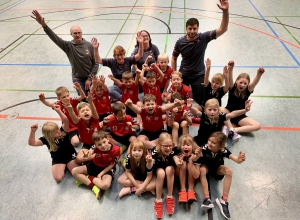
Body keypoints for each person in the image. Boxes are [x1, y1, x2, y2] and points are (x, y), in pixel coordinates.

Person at [171, 0, 229, 105]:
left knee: (202, 100)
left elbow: (223, 29)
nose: (192, 31)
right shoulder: (180, 42)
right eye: (190, 29)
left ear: (198, 28)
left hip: (199, 75)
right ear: (186, 28)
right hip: (184, 74)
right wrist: (174, 74)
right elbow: (174, 58)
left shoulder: (203, 37)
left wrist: (225, 11)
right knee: (178, 99)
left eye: (194, 28)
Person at [31, 10, 98, 95]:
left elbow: (96, 64)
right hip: (78, 79)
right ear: (71, 34)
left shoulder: (89, 45)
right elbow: (54, 38)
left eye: (79, 33)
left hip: (90, 77)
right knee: (84, 99)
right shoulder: (68, 46)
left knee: (93, 98)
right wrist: (44, 25)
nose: (77, 35)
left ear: (82, 33)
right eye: (75, 33)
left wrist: (90, 78)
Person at [195, 131, 246, 220]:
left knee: (229, 171)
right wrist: (196, 154)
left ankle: (223, 200)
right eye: (209, 141)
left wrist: (240, 159)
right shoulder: (204, 148)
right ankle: (207, 199)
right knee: (202, 170)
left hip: (217, 168)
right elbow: (195, 158)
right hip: (206, 167)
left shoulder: (223, 150)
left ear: (221, 145)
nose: (210, 143)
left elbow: (236, 160)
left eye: (213, 143)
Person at [28, 105, 79, 182]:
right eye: (55, 132)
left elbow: (66, 120)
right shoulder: (45, 139)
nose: (58, 132)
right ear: (49, 135)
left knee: (76, 172)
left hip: (70, 155)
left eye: (58, 129)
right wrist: (32, 131)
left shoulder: (63, 131)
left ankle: (69, 165)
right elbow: (32, 143)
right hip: (58, 159)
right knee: (58, 178)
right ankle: (65, 166)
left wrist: (58, 110)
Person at [91, 34, 143, 101]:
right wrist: (95, 49)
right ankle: (124, 98)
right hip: (117, 87)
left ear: (124, 54)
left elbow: (139, 55)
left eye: (121, 55)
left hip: (128, 85)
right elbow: (98, 60)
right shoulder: (111, 62)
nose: (119, 57)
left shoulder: (128, 60)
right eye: (117, 55)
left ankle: (123, 97)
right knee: (109, 90)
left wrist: (140, 43)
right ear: (114, 56)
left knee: (135, 90)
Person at [72, 131, 120, 200]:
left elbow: (112, 164)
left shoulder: (116, 149)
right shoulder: (95, 147)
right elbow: (90, 151)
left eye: (104, 142)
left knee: (105, 185)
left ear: (108, 139)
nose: (103, 145)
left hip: (107, 169)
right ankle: (92, 185)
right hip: (94, 165)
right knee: (74, 171)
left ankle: (89, 178)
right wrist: (87, 155)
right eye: (99, 144)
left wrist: (100, 174)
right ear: (95, 144)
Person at [221, 67, 265, 141]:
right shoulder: (232, 88)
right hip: (229, 112)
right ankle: (229, 127)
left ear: (248, 84)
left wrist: (259, 74)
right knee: (221, 109)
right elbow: (230, 78)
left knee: (257, 126)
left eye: (245, 83)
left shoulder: (248, 90)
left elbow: (255, 83)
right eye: (241, 82)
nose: (242, 85)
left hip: (239, 115)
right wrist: (231, 69)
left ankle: (233, 131)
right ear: (236, 81)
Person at [187, 98, 252, 147]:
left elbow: (232, 114)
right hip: (201, 139)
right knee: (188, 145)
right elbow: (197, 111)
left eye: (215, 110)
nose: (212, 112)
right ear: (205, 110)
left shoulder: (221, 116)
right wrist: (190, 107)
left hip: (214, 141)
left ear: (218, 110)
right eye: (209, 110)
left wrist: (245, 110)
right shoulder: (204, 115)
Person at [38, 83, 85, 147]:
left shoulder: (72, 100)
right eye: (63, 97)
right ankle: (69, 137)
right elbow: (49, 104)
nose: (66, 98)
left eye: (67, 95)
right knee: (75, 143)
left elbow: (82, 96)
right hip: (70, 127)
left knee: (85, 138)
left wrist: (80, 89)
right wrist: (43, 100)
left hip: (79, 123)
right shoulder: (58, 104)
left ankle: (79, 134)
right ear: (58, 98)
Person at [150, 133, 182, 218]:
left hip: (170, 170)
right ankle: (158, 200)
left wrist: (178, 163)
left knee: (169, 169)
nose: (168, 148)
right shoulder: (155, 151)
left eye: (170, 146)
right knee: (161, 173)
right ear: (159, 145)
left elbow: (175, 158)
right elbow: (149, 167)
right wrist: (149, 162)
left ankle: (169, 197)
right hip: (159, 170)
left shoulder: (173, 150)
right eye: (165, 146)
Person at [64, 93, 100, 164]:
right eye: (82, 111)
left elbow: (94, 111)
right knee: (78, 159)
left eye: (87, 110)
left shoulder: (95, 119)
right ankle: (95, 156)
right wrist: (70, 110)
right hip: (87, 145)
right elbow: (74, 118)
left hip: (98, 143)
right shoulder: (79, 122)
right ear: (79, 115)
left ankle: (92, 157)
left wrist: (90, 102)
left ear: (91, 112)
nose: (85, 112)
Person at [174, 134, 202, 203]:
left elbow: (196, 176)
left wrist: (191, 162)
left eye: (188, 145)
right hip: (180, 172)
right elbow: (176, 173)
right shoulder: (178, 153)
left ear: (192, 146)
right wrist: (179, 163)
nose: (185, 147)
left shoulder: (196, 155)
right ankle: (183, 191)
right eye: (183, 145)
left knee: (190, 164)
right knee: (183, 164)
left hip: (192, 172)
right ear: (180, 146)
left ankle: (190, 190)